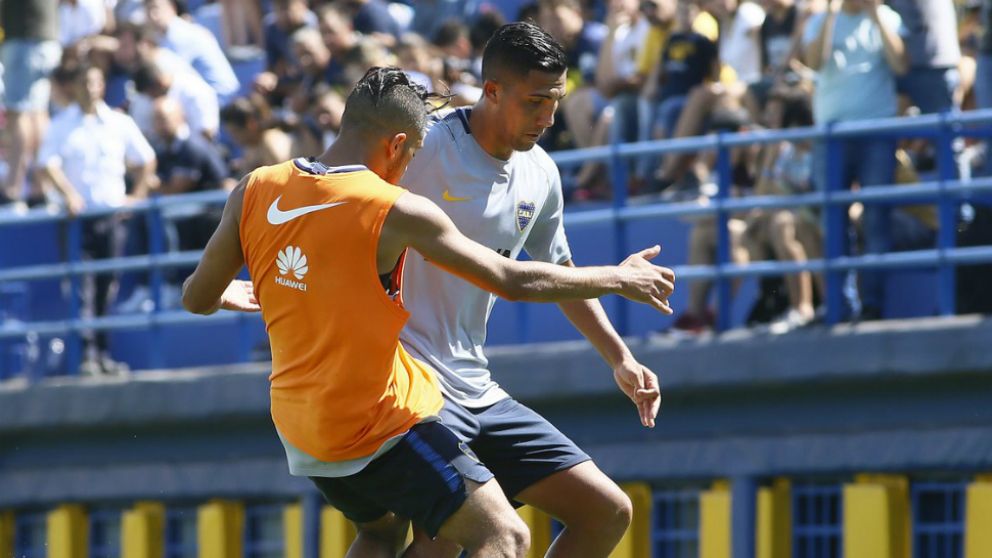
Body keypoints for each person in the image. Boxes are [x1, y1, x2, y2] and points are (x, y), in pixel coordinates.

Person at [181, 66, 675, 557]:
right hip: (377, 422)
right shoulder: (393, 209)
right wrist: (619, 277)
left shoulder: (255, 187)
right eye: (414, 153)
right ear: (397, 145)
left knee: (381, 534)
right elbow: (509, 279)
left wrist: (226, 294)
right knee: (504, 537)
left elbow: (195, 298)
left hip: (302, 429)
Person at [371, 23, 664, 557]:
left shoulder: (541, 173)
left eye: (556, 101)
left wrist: (620, 359)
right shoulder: (424, 148)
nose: (548, 117)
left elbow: (560, 272)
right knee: (445, 543)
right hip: (410, 384)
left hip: (476, 385)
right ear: (492, 90)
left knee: (606, 512)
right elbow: (338, 202)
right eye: (535, 101)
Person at [36, 64, 157, 375]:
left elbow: (146, 160)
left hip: (111, 217)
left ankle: (102, 354)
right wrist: (69, 194)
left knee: (108, 286)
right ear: (75, 86)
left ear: (102, 85)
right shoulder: (61, 124)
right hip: (77, 221)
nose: (90, 88)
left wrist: (137, 197)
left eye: (94, 81)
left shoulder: (119, 122)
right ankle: (86, 356)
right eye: (84, 82)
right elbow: (47, 164)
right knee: (81, 288)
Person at [1, 0, 61, 206]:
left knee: (18, 112)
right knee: (38, 112)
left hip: (24, 38)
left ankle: (13, 188)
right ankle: (40, 186)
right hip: (46, 37)